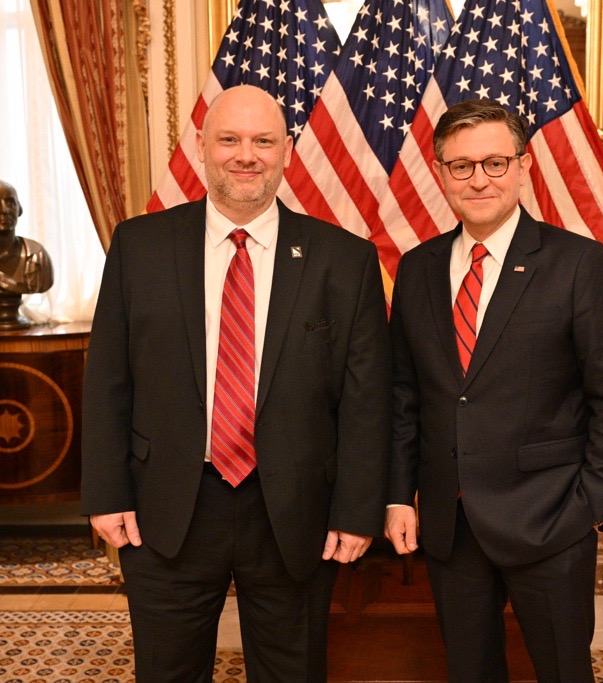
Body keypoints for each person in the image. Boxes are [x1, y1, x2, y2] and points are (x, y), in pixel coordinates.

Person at [81, 85, 391, 682]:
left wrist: (357, 510)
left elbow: (366, 402)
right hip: (166, 507)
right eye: (229, 139)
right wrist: (106, 492)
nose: (245, 155)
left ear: (286, 152)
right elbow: (108, 381)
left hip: (296, 515)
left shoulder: (344, 259)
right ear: (203, 148)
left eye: (263, 141)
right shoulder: (138, 246)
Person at [384, 99, 603, 683]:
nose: (480, 179)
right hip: (451, 524)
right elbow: (405, 398)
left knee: (562, 671)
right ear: (441, 174)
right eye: (462, 166)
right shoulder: (418, 269)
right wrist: (400, 494)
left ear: (523, 167)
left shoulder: (577, 264)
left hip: (551, 518)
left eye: (496, 163)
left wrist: (590, 506)